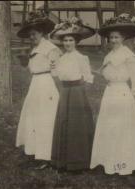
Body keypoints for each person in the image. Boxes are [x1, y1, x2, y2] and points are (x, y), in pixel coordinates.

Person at [90, 13, 135, 175]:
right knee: (110, 126)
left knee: (122, 127)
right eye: (111, 37)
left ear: (123, 38)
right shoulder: (109, 55)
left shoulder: (128, 55)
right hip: (110, 92)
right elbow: (104, 73)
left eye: (116, 37)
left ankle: (124, 162)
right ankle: (110, 160)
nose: (113, 40)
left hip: (122, 93)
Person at [15, 11, 62, 169]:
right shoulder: (34, 48)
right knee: (33, 117)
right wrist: (25, 63)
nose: (32, 37)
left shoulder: (51, 48)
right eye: (30, 35)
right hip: (35, 84)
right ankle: (34, 151)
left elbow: (56, 70)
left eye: (34, 34)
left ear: (42, 33)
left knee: (45, 119)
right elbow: (32, 68)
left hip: (46, 85)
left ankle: (46, 155)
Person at [49, 17, 95, 172]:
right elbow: (57, 75)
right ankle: (63, 160)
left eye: (71, 40)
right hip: (65, 92)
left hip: (77, 93)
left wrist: (82, 94)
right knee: (64, 122)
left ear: (76, 42)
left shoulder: (82, 58)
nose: (68, 43)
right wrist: (53, 66)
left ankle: (78, 161)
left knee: (77, 125)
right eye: (65, 40)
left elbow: (88, 77)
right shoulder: (61, 58)